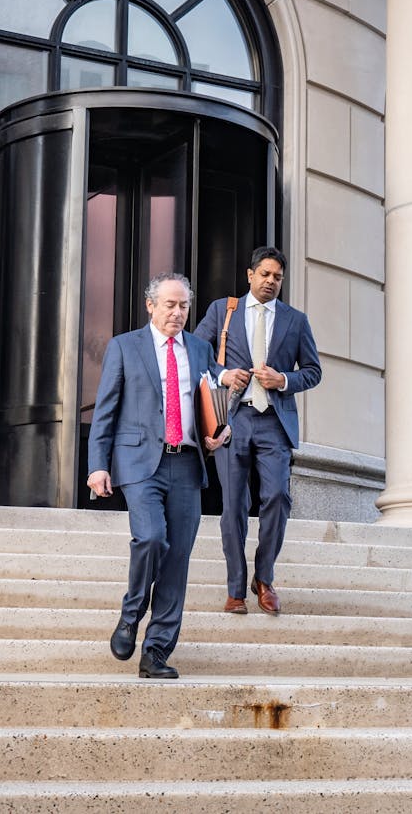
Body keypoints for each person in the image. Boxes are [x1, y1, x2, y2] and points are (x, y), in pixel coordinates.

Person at [87, 273, 227, 679]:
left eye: (183, 305)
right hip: (138, 462)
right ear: (151, 305)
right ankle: (131, 613)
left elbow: (215, 403)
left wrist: (222, 430)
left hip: (186, 463)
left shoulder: (200, 351)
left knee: (177, 559)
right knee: (150, 537)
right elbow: (106, 410)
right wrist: (98, 465)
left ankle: (157, 652)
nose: (177, 312)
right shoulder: (125, 346)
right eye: (169, 304)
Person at [195, 246, 322, 615]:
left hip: (274, 421)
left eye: (277, 277)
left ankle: (263, 578)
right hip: (233, 419)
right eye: (264, 274)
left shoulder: (295, 320)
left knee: (278, 498)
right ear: (250, 275)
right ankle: (236, 588)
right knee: (234, 504)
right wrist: (222, 374)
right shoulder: (223, 310)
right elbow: (196, 350)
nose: (271, 281)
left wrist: (284, 379)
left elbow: (313, 370)